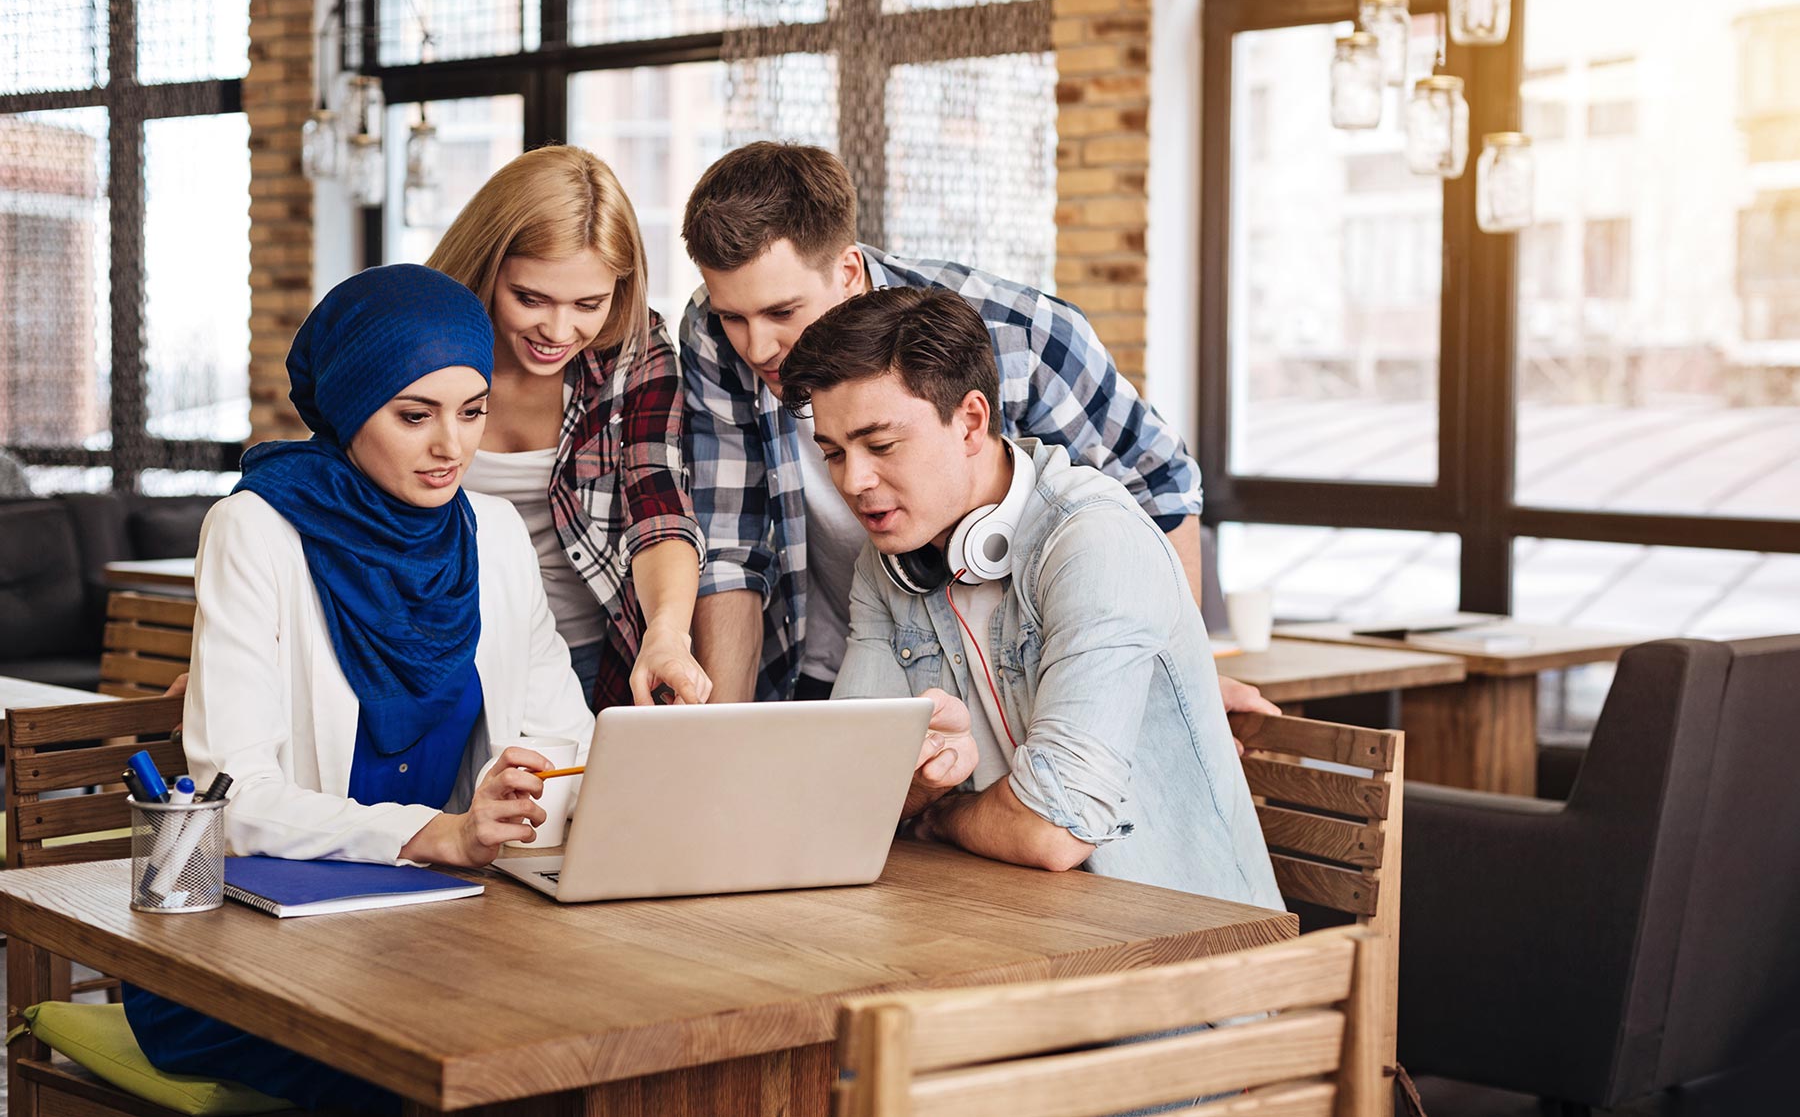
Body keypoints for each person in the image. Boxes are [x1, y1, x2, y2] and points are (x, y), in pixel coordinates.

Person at [121, 264, 598, 1115]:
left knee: (561, 1053)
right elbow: (237, 796)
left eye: (472, 409)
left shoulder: (491, 535)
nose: (452, 446)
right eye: (414, 415)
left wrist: (523, 787)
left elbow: (570, 737)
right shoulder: (255, 530)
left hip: (443, 938)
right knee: (448, 1071)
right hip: (258, 950)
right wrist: (435, 835)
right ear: (346, 407)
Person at [678, 141, 1279, 726]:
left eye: (783, 313)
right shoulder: (712, 333)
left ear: (848, 271)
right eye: (735, 316)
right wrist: (715, 744)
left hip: (1012, 680)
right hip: (818, 659)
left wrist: (1182, 683)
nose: (757, 347)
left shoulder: (1022, 337)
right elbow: (732, 550)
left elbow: (1160, 488)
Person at [780, 285, 1283, 908]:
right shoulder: (886, 564)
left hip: (1183, 962)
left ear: (970, 422)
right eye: (833, 453)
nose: (853, 481)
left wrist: (937, 816)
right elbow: (839, 804)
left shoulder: (1095, 542)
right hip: (1009, 934)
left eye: (880, 445)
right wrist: (924, 789)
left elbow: (1054, 830)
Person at [428, 145, 710, 709]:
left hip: (584, 658)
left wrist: (667, 634)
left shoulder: (635, 354)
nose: (558, 330)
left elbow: (658, 506)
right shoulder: (420, 341)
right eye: (530, 298)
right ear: (487, 268)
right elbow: (342, 490)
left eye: (588, 303)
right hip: (430, 657)